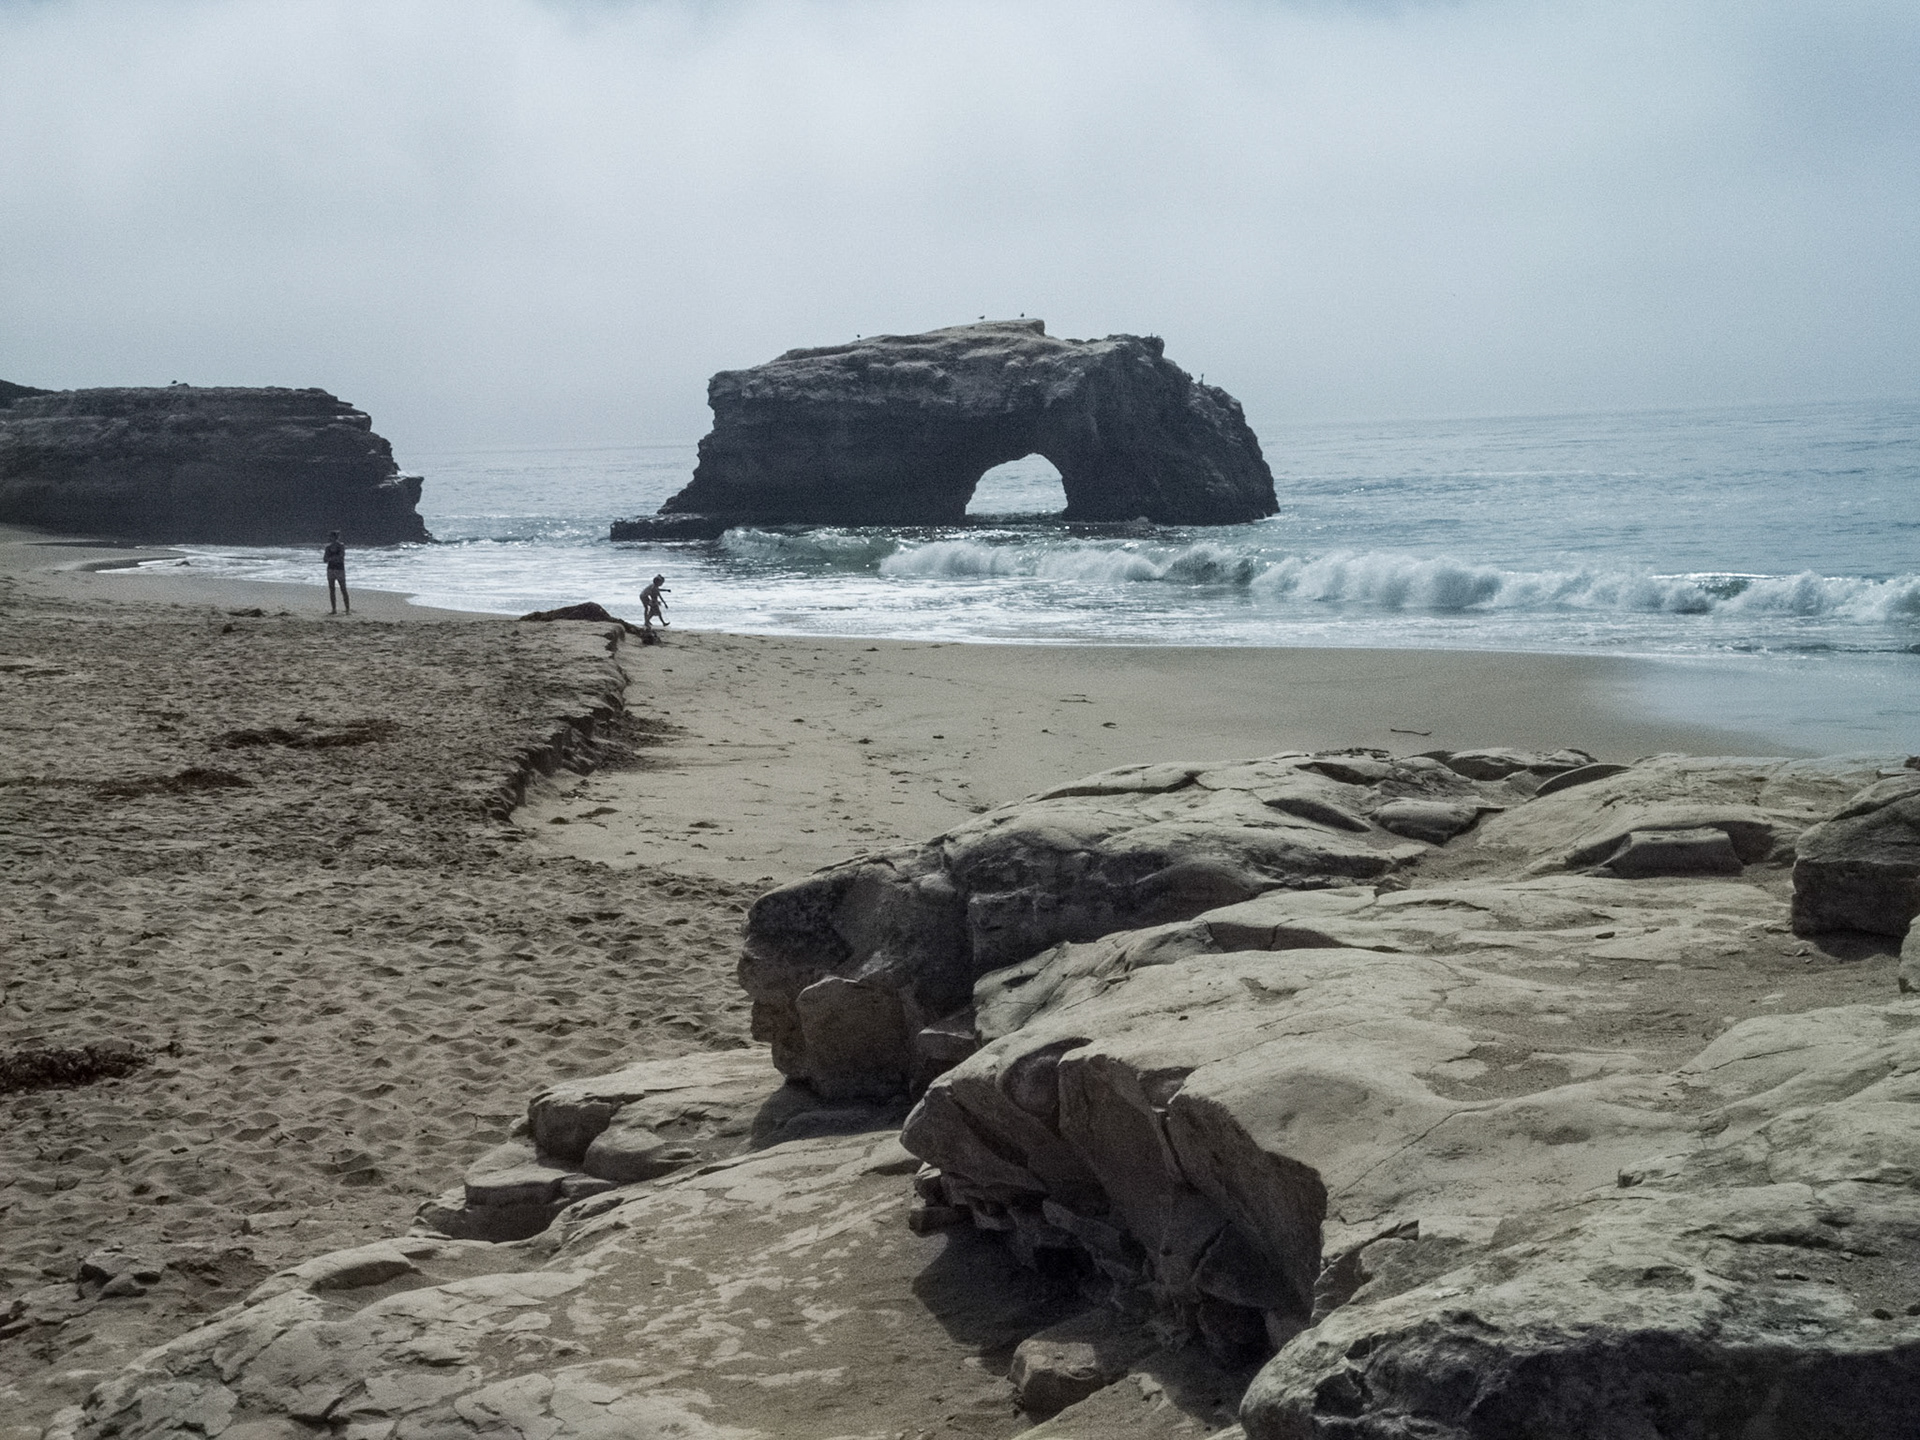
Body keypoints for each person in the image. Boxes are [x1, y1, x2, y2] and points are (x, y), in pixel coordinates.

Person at [324, 531, 350, 615]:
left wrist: (331, 558)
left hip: (339, 569)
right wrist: (333, 558)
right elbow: (324, 559)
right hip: (331, 569)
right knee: (332, 590)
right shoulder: (328, 547)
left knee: (343, 589)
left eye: (332, 537)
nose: (331, 538)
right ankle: (334, 609)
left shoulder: (341, 546)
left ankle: (347, 609)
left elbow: (341, 556)